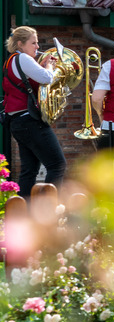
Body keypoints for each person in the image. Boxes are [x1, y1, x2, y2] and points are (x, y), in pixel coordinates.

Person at [3, 26, 66, 199]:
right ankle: (47, 212)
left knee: (29, 170)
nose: (37, 47)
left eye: (37, 43)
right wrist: (50, 66)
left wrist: (43, 66)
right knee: (57, 164)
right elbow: (47, 78)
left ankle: (24, 213)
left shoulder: (12, 60)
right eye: (34, 43)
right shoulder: (23, 58)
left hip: (18, 121)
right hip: (30, 120)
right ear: (20, 44)